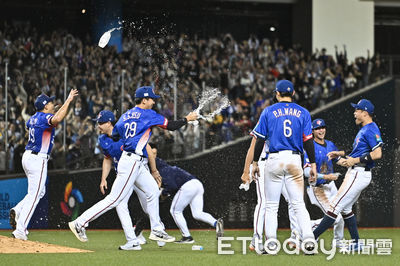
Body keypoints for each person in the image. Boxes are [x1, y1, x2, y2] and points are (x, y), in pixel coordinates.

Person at [69, 86, 198, 244]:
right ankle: (80, 223)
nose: (153, 102)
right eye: (151, 99)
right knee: (114, 199)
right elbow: (171, 126)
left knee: (152, 192)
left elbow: (115, 134)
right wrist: (187, 119)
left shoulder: (126, 115)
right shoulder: (149, 114)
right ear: (144, 100)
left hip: (135, 162)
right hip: (131, 161)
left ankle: (157, 229)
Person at [249, 79, 317, 253]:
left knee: (271, 205)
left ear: (277, 94)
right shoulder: (303, 112)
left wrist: (255, 162)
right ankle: (309, 240)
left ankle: (271, 242)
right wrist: (314, 164)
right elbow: (308, 141)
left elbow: (260, 140)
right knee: (298, 204)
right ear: (293, 93)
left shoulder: (268, 111)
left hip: (274, 159)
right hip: (295, 159)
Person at [313, 99, 383, 251]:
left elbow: (377, 153)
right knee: (345, 209)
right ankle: (357, 243)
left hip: (359, 172)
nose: (354, 112)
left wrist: (354, 160)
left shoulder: (370, 129)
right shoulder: (364, 129)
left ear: (365, 113)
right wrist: (342, 154)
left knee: (334, 206)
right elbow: (359, 152)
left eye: (357, 110)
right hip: (356, 171)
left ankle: (310, 239)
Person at [10, 89, 79, 240]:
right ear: (45, 106)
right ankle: (20, 229)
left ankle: (18, 209)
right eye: (50, 102)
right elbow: (57, 119)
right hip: (38, 159)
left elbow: (31, 125)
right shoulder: (43, 117)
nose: (53, 103)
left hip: (27, 156)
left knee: (38, 192)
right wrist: (68, 101)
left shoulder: (33, 118)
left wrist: (57, 109)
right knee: (35, 195)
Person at [94, 110, 163, 250]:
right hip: (123, 174)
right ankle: (133, 239)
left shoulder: (124, 130)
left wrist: (154, 170)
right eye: (98, 123)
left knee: (148, 205)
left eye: (101, 123)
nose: (98, 126)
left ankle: (159, 231)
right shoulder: (102, 139)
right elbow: (107, 159)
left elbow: (148, 149)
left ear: (109, 123)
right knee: (120, 204)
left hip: (139, 169)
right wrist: (103, 179)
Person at [147, 144, 224, 244]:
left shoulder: (161, 170)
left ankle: (187, 237)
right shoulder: (166, 167)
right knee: (197, 214)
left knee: (175, 211)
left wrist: (163, 194)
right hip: (197, 184)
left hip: (188, 186)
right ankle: (216, 223)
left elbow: (172, 186)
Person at [241, 138, 301, 253]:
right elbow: (253, 146)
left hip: (279, 163)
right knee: (264, 201)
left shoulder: (282, 120)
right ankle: (257, 238)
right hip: (261, 163)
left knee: (292, 199)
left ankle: (295, 236)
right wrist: (245, 171)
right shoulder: (263, 120)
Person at [302, 118, 344, 247]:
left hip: (331, 186)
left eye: (323, 127)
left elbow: (338, 160)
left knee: (340, 219)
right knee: (335, 218)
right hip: (317, 188)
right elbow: (306, 172)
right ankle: (306, 225)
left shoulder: (330, 144)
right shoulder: (309, 147)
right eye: (318, 128)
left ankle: (338, 242)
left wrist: (350, 161)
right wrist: (326, 177)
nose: (321, 130)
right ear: (313, 131)